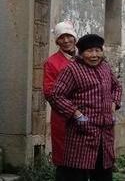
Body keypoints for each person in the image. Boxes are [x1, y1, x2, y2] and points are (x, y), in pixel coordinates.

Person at [49, 34, 122, 181]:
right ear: (81, 53)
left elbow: (117, 87)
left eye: (97, 50)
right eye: (89, 51)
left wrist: (114, 103)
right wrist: (76, 114)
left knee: (103, 175)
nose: (94, 55)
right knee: (74, 174)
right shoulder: (72, 70)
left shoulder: (105, 68)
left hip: (104, 135)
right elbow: (56, 95)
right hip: (81, 134)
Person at [43, 21, 78, 176]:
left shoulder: (85, 57)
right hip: (64, 117)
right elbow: (49, 92)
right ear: (56, 41)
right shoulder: (52, 62)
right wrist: (73, 111)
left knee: (84, 159)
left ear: (74, 37)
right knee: (65, 161)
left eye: (68, 36)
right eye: (61, 38)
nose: (65, 41)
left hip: (88, 114)